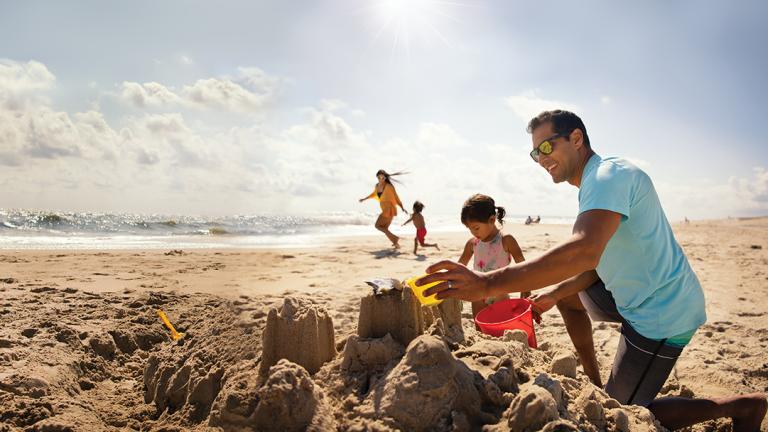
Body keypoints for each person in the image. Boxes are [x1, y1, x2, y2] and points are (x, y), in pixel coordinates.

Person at [417, 110, 766, 431]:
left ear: (577, 139)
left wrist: (487, 282)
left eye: (548, 146)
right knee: (568, 299)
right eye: (535, 153)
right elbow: (597, 262)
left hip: (662, 314)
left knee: (623, 413)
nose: (541, 158)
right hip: (632, 296)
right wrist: (554, 294)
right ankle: (597, 381)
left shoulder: (607, 176)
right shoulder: (594, 183)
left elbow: (584, 251)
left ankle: (740, 406)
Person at [456, 194, 529, 321]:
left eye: (476, 228)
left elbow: (523, 268)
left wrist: (525, 293)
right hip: (477, 292)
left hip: (499, 291)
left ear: (492, 219)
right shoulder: (472, 243)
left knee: (501, 325)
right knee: (480, 327)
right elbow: (459, 267)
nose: (474, 233)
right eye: (470, 229)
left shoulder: (506, 240)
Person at [359, 169, 408, 248]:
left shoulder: (389, 186)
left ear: (385, 178)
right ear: (377, 177)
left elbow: (396, 197)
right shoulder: (377, 186)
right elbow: (374, 194)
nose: (381, 179)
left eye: (383, 178)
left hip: (389, 209)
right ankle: (396, 243)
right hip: (385, 209)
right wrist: (364, 199)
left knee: (377, 226)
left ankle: (395, 238)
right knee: (385, 228)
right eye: (379, 177)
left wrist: (402, 207)